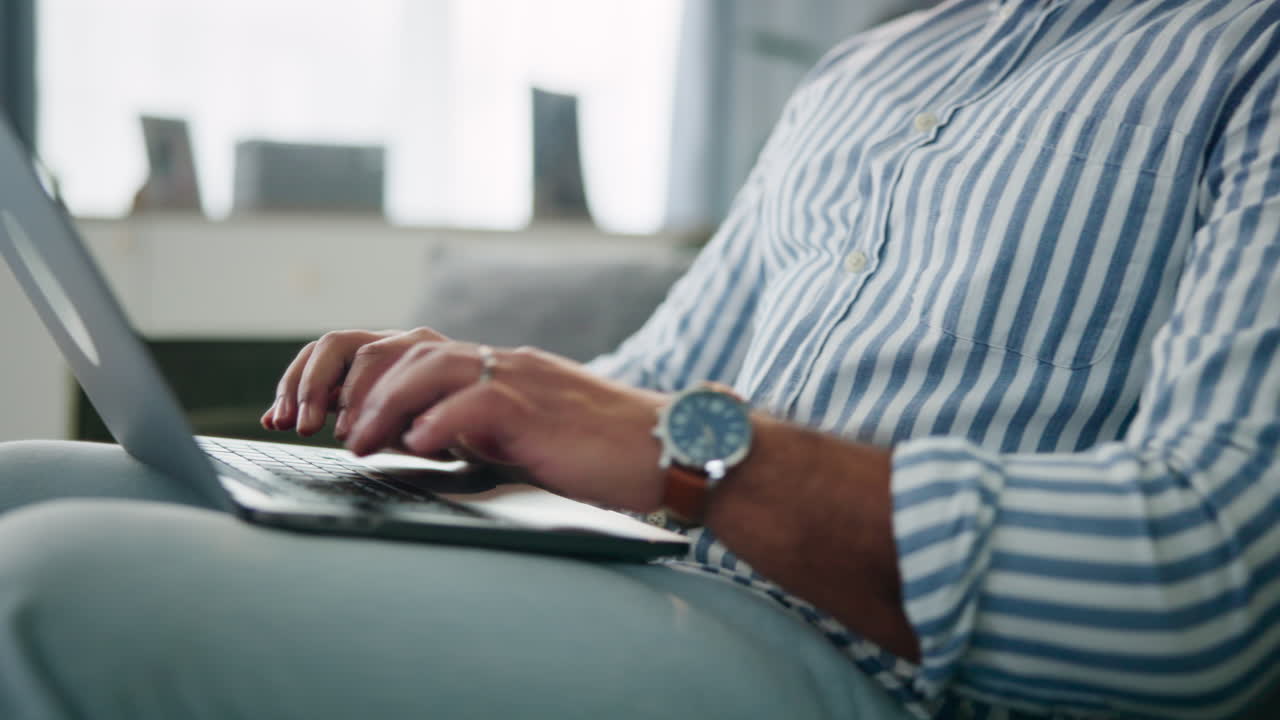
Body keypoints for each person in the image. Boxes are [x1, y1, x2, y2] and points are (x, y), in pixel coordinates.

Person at [3, 0, 1280, 717]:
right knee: (20, 484)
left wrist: (685, 450)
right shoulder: (872, 67)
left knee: (45, 581)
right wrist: (480, 396)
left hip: (886, 673)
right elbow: (653, 377)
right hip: (657, 577)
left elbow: (1213, 592)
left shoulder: (1244, 51)